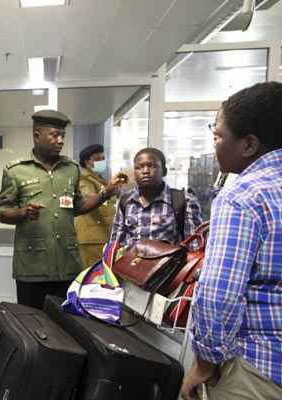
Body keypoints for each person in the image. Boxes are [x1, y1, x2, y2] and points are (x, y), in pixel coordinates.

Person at [181, 82, 282, 400]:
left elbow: (219, 295)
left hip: (257, 367)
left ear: (249, 144)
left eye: (218, 135)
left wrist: (204, 364)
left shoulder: (244, 195)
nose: (214, 145)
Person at [0, 109, 127, 309]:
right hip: (32, 266)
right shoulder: (16, 170)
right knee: (32, 323)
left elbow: (79, 206)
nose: (60, 140)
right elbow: (2, 211)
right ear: (37, 135)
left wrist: (105, 193)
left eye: (62, 136)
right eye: (54, 135)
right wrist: (23, 213)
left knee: (66, 324)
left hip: (67, 264)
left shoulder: (71, 169)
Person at [109, 147, 203, 248]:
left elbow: (194, 247)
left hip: (168, 262)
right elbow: (115, 245)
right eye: (139, 167)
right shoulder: (126, 201)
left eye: (151, 166)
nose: (145, 171)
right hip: (130, 262)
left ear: (164, 171)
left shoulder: (183, 200)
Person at [75, 144, 118, 268]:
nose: (102, 162)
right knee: (93, 278)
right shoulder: (84, 179)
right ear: (87, 162)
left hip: (102, 235)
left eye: (103, 159)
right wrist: (107, 192)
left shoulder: (98, 179)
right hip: (92, 238)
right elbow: (89, 199)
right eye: (98, 159)